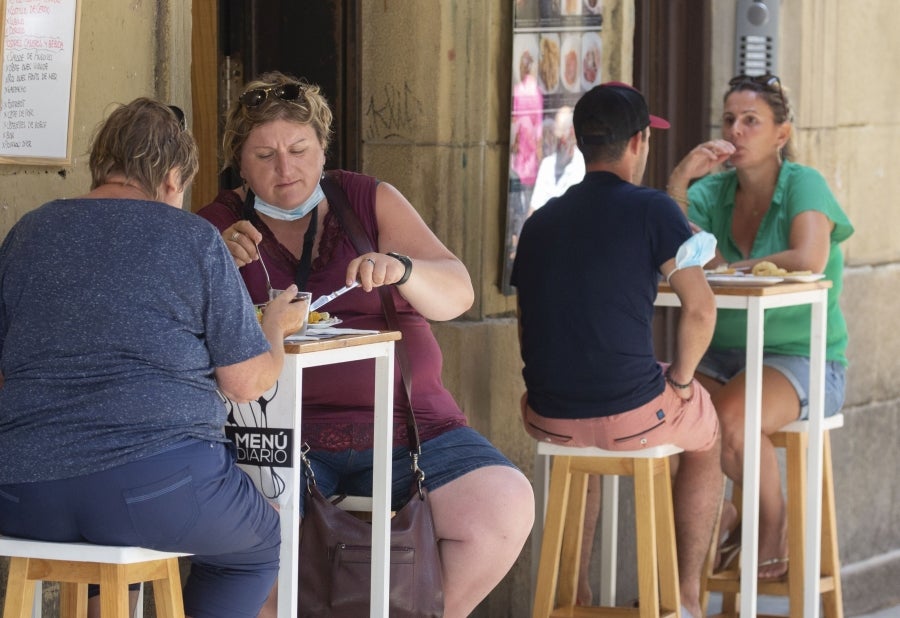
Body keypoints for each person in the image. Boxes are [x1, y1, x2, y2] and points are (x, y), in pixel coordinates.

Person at [197, 71, 535, 618]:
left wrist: (402, 269)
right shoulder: (218, 225)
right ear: (239, 160)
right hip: (279, 433)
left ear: (323, 147)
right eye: (264, 155)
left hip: (411, 423)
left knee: (502, 506)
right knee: (248, 545)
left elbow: (457, 294)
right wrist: (210, 260)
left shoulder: (365, 200)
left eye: (299, 150)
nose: (286, 169)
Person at [0, 98, 307, 618]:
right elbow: (246, 383)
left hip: (21, 495)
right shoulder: (193, 239)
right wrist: (274, 327)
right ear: (170, 177)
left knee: (108, 541)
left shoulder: (29, 231)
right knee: (255, 546)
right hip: (157, 491)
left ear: (103, 165)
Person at [512, 82, 723, 618]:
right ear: (638, 144)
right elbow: (700, 310)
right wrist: (679, 383)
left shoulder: (539, 222)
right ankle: (685, 598)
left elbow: (527, 321)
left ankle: (574, 595)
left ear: (582, 144)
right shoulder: (653, 210)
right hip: (634, 415)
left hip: (546, 417)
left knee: (589, 445)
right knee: (707, 433)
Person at [666, 73, 854, 580]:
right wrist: (680, 181)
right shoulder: (710, 192)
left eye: (752, 120)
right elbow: (677, 250)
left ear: (781, 133)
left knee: (730, 419)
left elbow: (808, 258)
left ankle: (771, 527)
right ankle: (691, 567)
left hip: (802, 357)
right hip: (721, 355)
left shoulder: (803, 183)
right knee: (663, 420)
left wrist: (725, 268)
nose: (737, 130)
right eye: (729, 119)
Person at [527, 105, 586, 218]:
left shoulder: (583, 166)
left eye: (563, 139)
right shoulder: (547, 165)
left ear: (572, 133)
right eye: (557, 139)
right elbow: (534, 207)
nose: (560, 144)